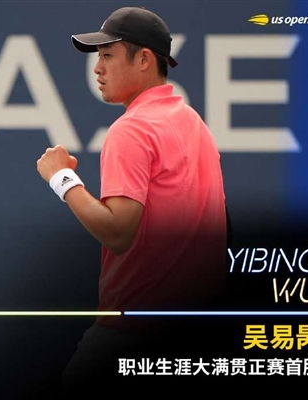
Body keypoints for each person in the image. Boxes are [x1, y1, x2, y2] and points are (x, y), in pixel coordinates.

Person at [37, 6, 228, 391]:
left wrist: (62, 178)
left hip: (131, 335)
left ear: (143, 60)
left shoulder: (132, 130)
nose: (97, 68)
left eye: (108, 55)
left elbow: (119, 233)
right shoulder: (194, 124)